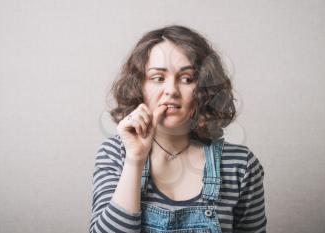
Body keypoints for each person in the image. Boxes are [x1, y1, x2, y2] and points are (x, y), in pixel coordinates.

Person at [90, 25, 267, 233]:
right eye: (158, 78)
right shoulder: (115, 154)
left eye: (186, 79)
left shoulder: (240, 166)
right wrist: (135, 159)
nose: (171, 91)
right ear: (140, 87)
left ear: (204, 88)